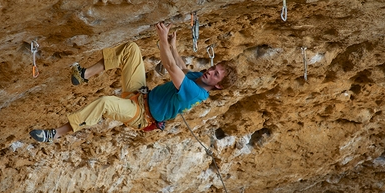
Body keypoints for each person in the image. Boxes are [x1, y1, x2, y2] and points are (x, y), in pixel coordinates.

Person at [30, 22, 237, 142]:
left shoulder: (196, 93)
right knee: (132, 49)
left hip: (140, 115)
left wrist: (162, 39)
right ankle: (83, 75)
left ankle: (54, 134)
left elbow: (171, 68)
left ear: (217, 86)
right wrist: (173, 46)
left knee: (105, 102)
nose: (211, 71)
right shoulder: (199, 79)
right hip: (141, 93)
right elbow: (182, 68)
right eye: (214, 67)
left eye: (216, 75)